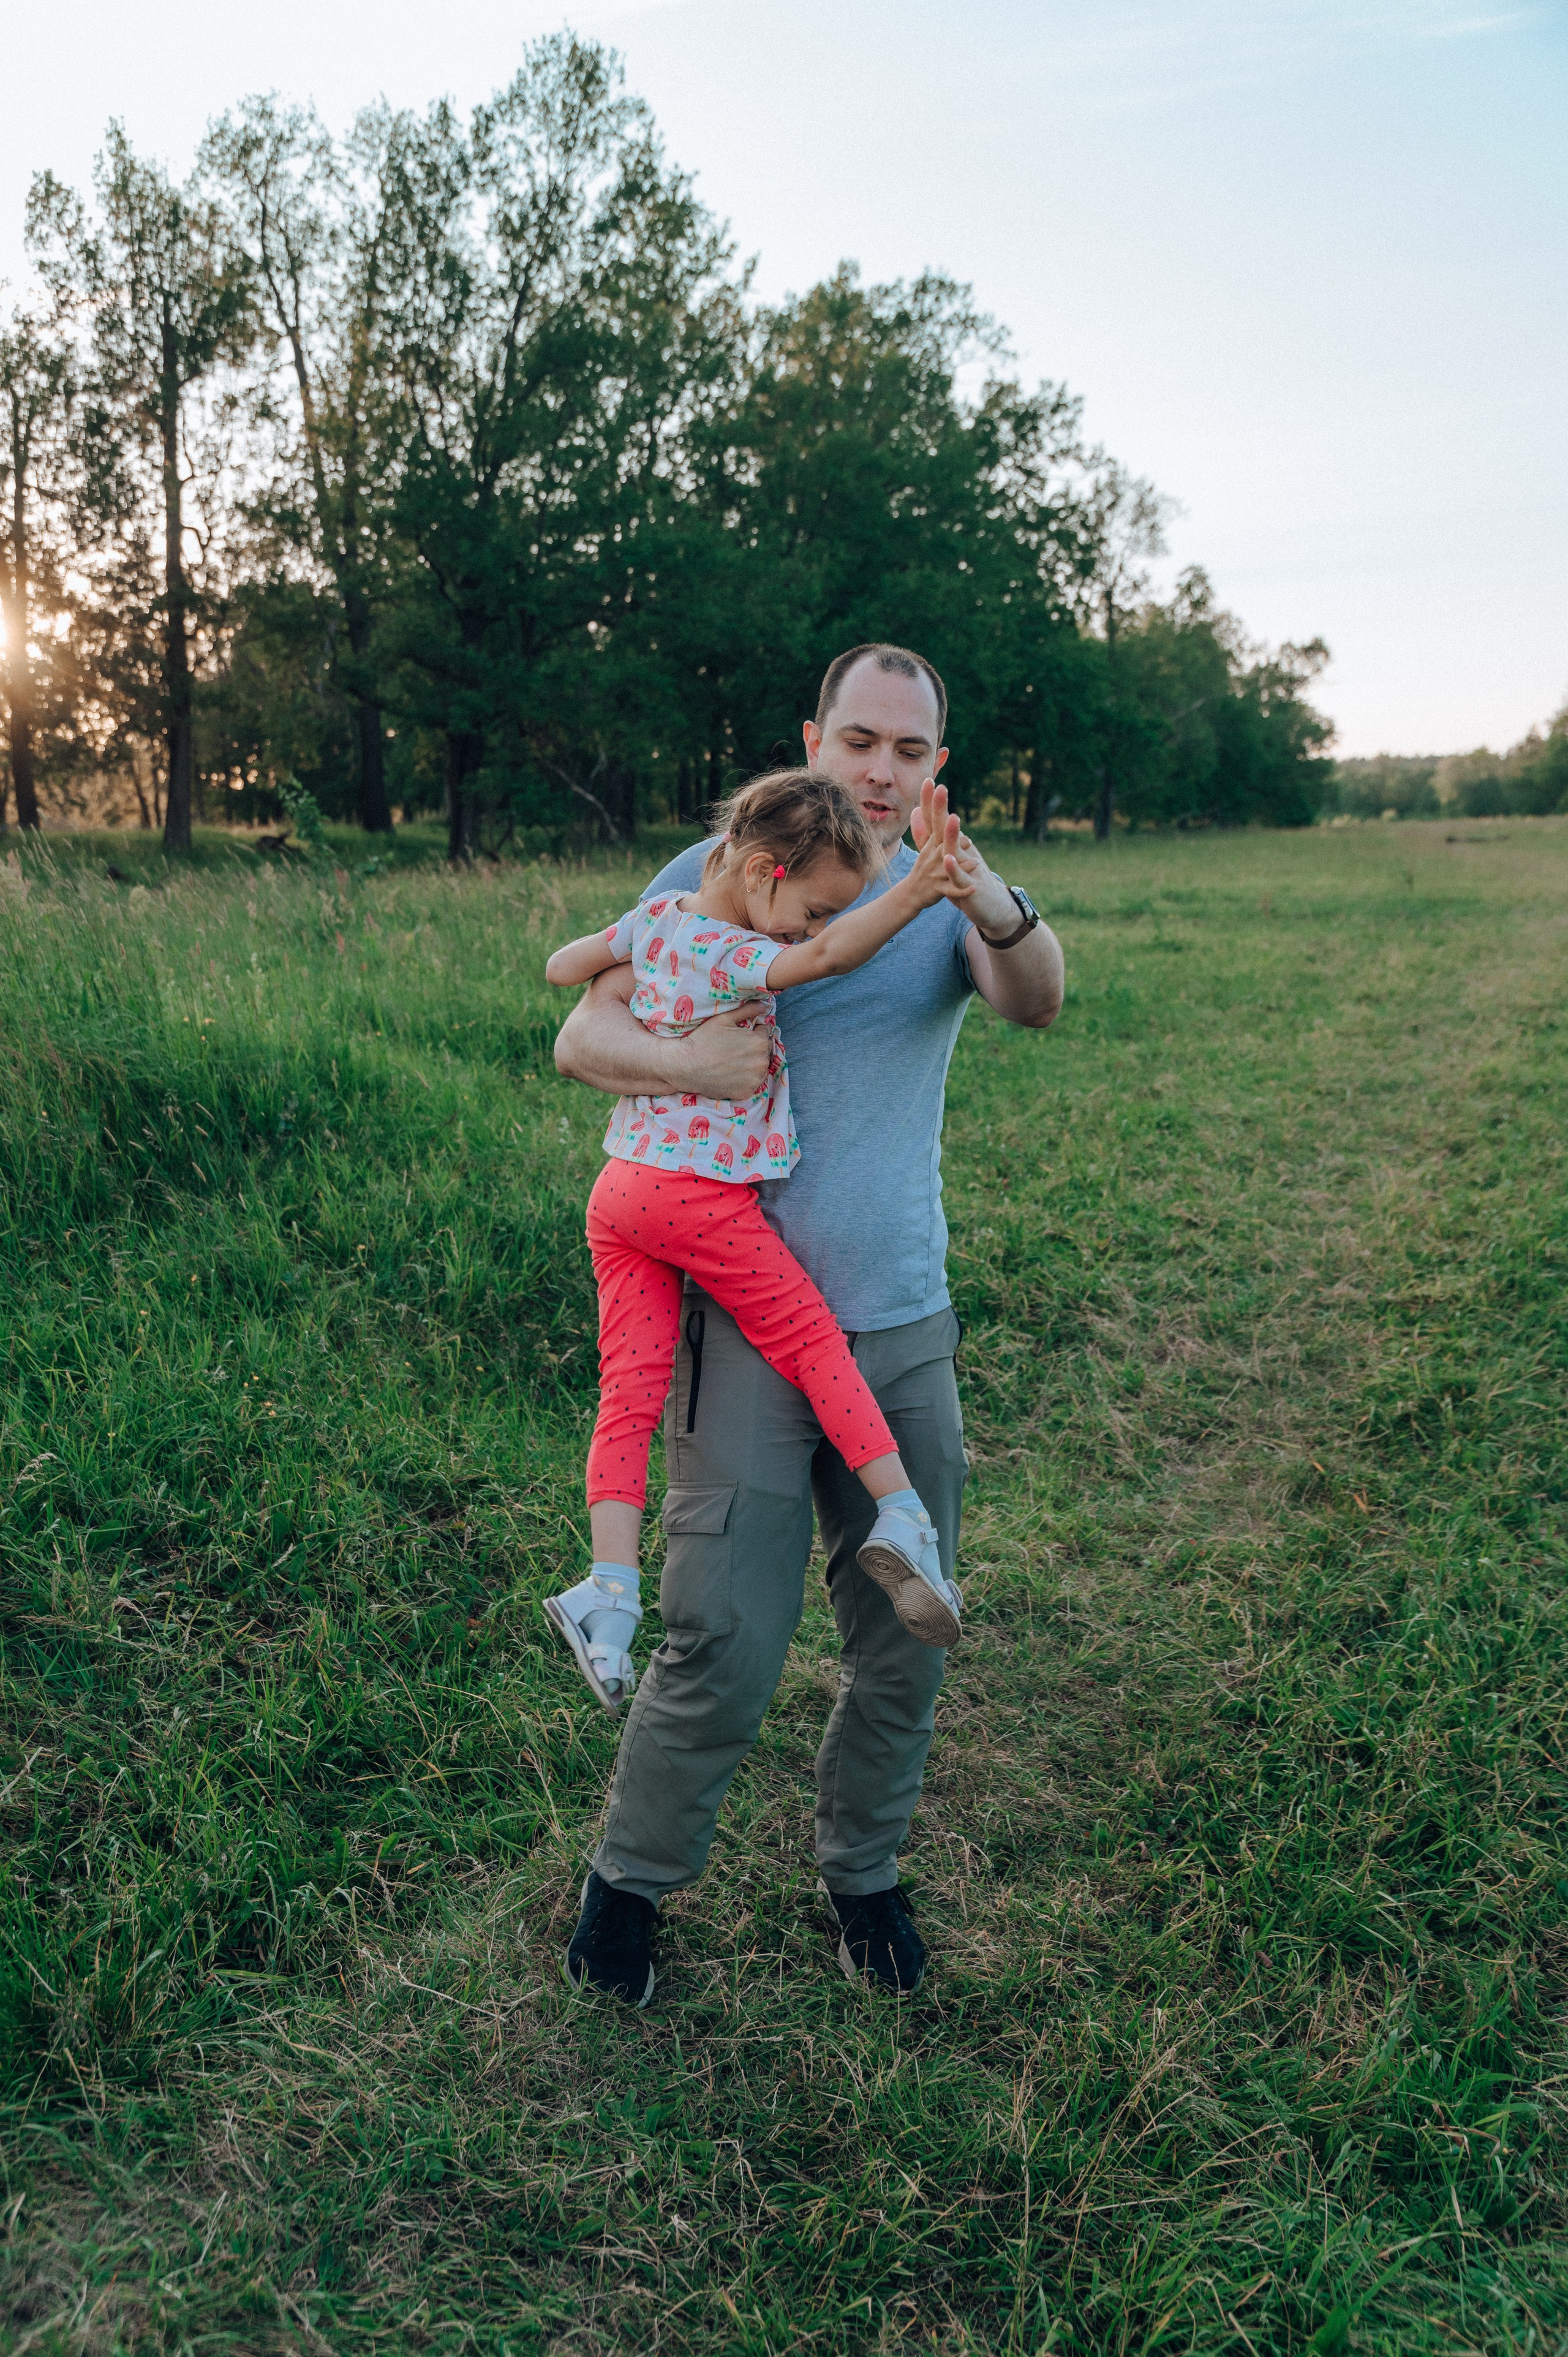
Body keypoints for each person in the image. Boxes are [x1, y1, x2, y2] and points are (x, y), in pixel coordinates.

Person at [552, 643, 1065, 2005]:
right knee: (718, 1635)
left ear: (934, 766)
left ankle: (863, 1875)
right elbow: (583, 1037)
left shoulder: (949, 884)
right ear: (814, 739)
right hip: (742, 1324)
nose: (882, 770)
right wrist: (685, 1061)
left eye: (909, 750)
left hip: (897, 1317)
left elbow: (1037, 997)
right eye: (860, 741)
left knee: (902, 1635)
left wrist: (985, 895)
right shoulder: (717, 868)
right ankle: (629, 1889)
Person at [541, 770, 975, 1714]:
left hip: (619, 1195)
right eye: (811, 908)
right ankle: (903, 1516)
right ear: (762, 870)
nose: (811, 931)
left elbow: (563, 968)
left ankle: (608, 1595)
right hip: (697, 1198)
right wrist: (917, 888)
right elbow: (831, 964)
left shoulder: (656, 921)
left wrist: (629, 964)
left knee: (629, 1391)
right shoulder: (728, 947)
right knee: (813, 1341)